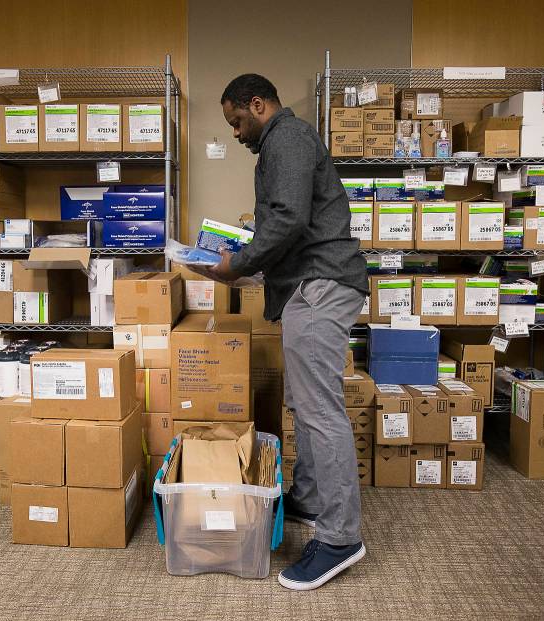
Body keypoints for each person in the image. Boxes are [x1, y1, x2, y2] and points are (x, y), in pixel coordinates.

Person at [203, 73, 369, 591]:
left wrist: (237, 264)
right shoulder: (279, 145)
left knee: (319, 410)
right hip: (309, 286)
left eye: (236, 121)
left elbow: (290, 220)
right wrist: (243, 257)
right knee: (306, 401)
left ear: (258, 104)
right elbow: (285, 222)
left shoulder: (288, 138)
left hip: (320, 286)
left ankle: (341, 538)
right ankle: (312, 497)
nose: (235, 132)